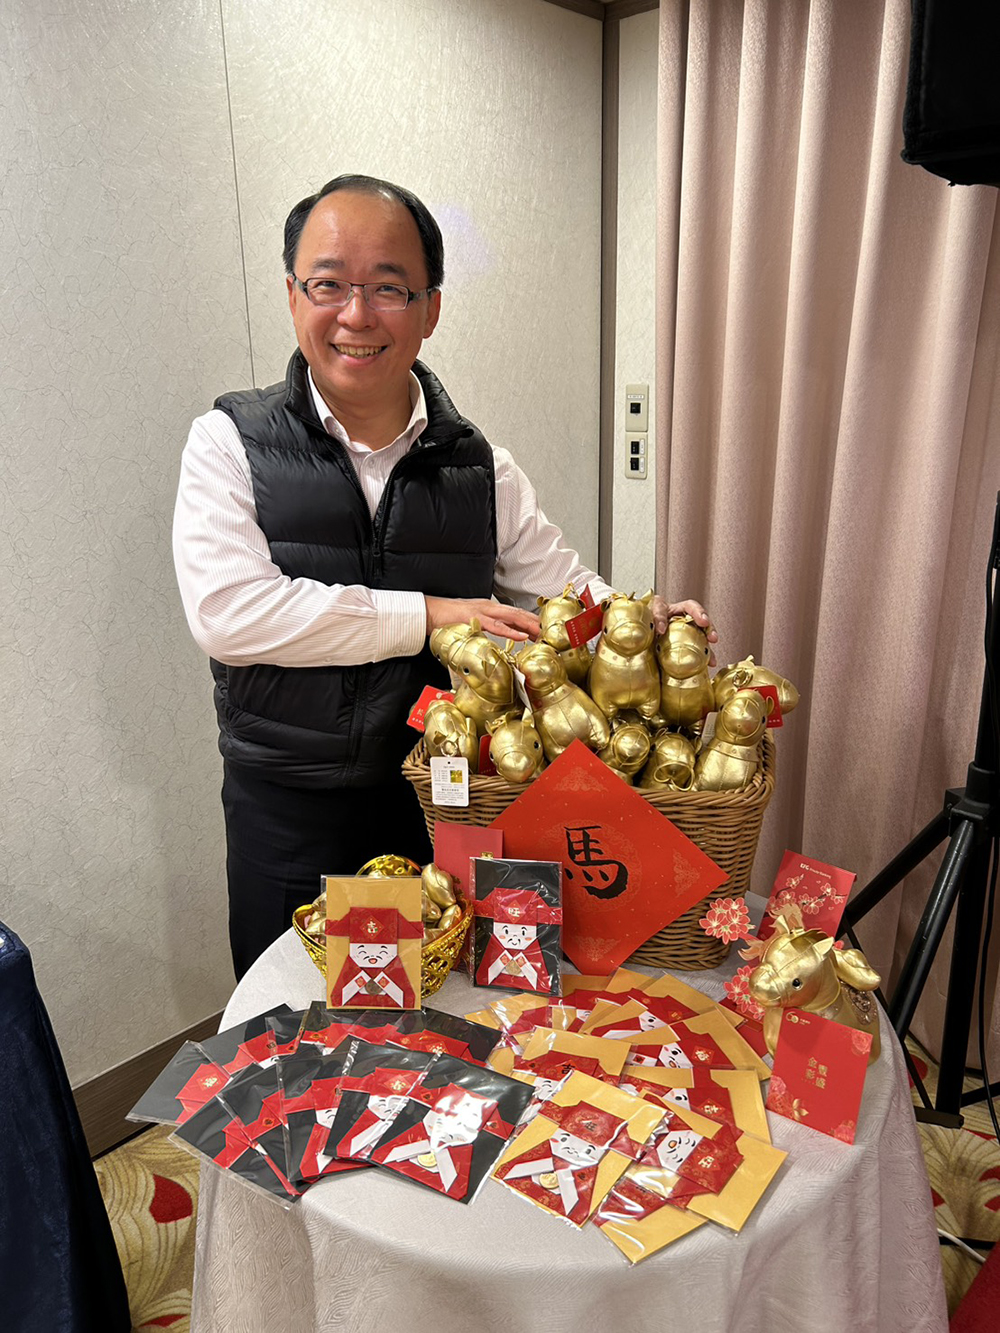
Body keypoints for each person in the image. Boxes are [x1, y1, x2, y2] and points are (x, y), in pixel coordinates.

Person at [173, 173, 714, 978]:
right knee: (301, 1023)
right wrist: (428, 614)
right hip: (291, 811)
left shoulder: (481, 467)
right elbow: (231, 614)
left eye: (389, 288)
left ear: (430, 309)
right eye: (329, 284)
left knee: (449, 1021)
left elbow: (563, 586)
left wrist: (641, 618)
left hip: (444, 803)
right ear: (292, 296)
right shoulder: (229, 442)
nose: (357, 314)